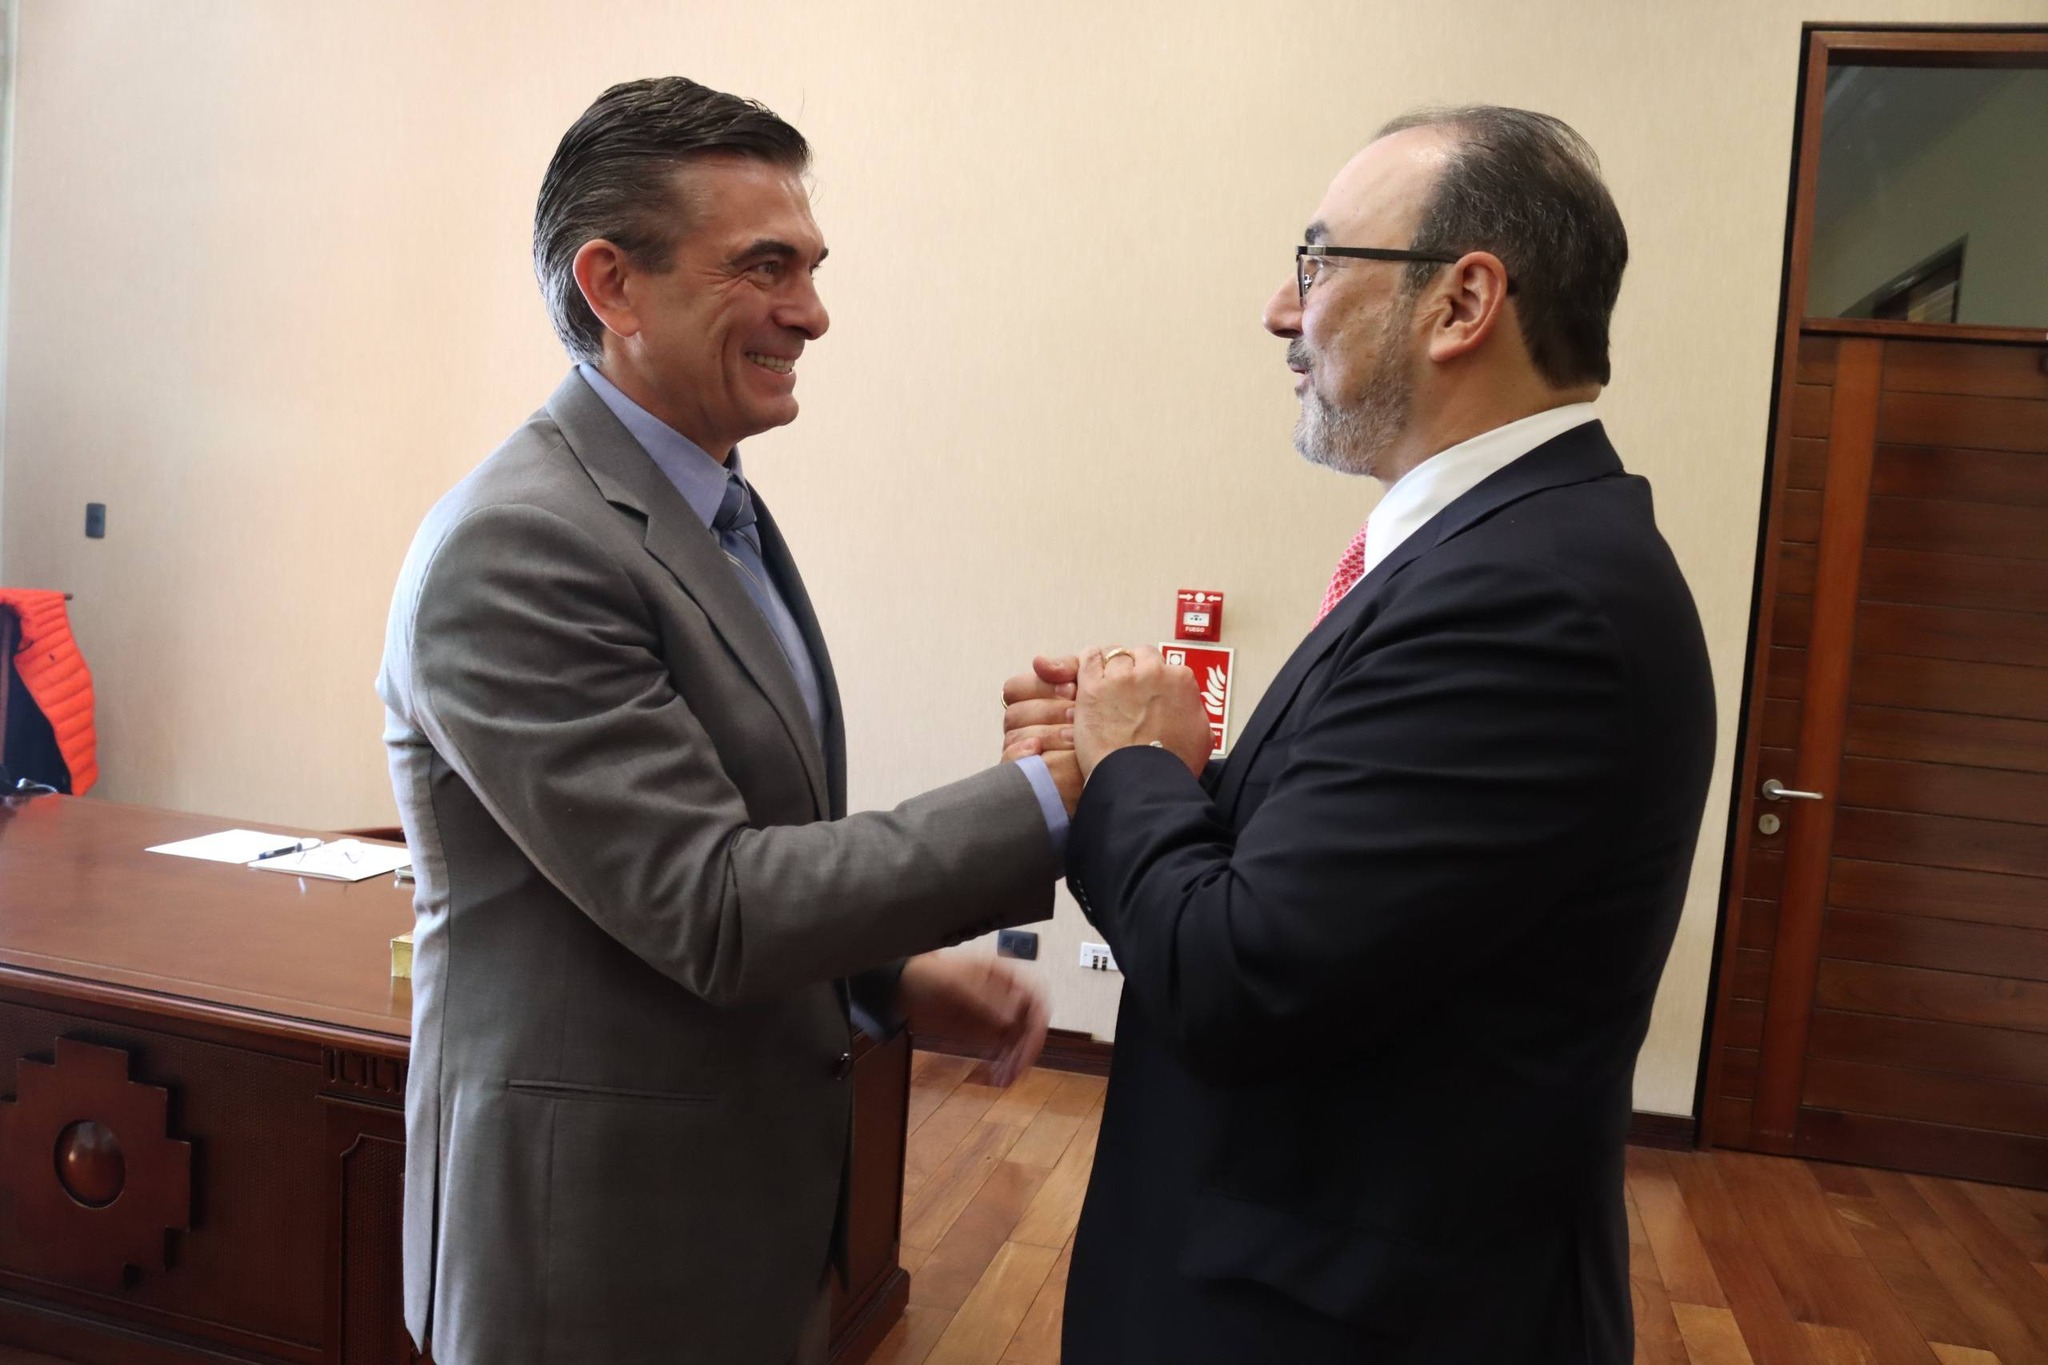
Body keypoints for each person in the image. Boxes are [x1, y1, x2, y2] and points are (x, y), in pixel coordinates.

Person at [378, 78, 1075, 1365]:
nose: (810, 312)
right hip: (585, 1254)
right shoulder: (519, 546)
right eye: (765, 268)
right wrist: (1060, 793)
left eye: (809, 268)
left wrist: (890, 977)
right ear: (613, 284)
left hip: (730, 1217)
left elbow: (741, 838)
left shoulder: (710, 507)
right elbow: (709, 901)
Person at [1004, 106, 1716, 1362]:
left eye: (1318, 264)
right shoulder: (1491, 553)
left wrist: (1129, 768)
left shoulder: (1527, 599)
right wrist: (1150, 767)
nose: (1280, 311)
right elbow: (1359, 887)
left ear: (1461, 303)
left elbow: (1241, 980)